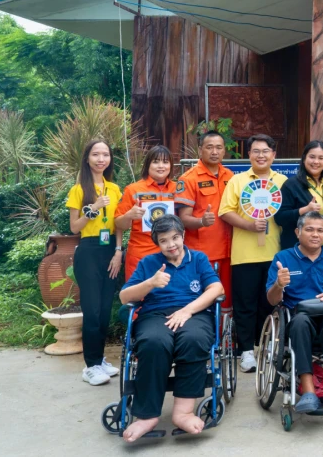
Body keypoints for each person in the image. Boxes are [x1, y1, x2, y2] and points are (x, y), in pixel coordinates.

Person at [118, 215, 223, 442]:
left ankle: (183, 413)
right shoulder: (148, 263)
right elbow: (124, 296)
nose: (171, 244)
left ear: (183, 235)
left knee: (193, 339)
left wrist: (188, 311)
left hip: (193, 312)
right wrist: (150, 284)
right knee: (154, 342)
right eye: (164, 240)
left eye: (175, 237)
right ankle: (147, 416)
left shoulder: (198, 259)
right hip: (155, 314)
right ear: (157, 243)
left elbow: (216, 288)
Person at [267, 212, 323, 413]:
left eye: (320, 230)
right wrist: (278, 284)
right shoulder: (282, 258)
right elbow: (273, 300)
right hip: (299, 317)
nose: (315, 234)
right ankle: (308, 391)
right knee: (300, 323)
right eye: (309, 229)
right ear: (297, 232)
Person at [219, 134, 289, 373]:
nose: (261, 155)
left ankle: (267, 346)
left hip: (275, 253)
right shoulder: (237, 181)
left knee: (268, 303)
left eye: (266, 151)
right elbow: (225, 211)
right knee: (245, 304)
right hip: (245, 254)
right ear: (248, 155)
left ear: (274, 154)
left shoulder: (283, 182)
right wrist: (248, 225)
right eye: (256, 151)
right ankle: (246, 350)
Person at [67, 139, 124, 386]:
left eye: (105, 155)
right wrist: (94, 208)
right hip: (89, 252)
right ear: (87, 158)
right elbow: (74, 227)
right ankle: (90, 366)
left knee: (104, 311)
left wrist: (119, 251)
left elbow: (120, 223)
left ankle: (100, 360)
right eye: (96, 154)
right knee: (92, 311)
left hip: (110, 249)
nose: (101, 159)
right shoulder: (79, 189)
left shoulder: (115, 188)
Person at [176, 130, 234, 307]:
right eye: (209, 147)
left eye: (219, 147)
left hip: (231, 253)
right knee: (203, 301)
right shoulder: (188, 179)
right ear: (200, 149)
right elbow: (182, 219)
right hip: (203, 255)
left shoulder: (231, 177)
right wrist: (201, 221)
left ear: (224, 151)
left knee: (227, 301)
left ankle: (225, 335)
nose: (214, 152)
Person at [115, 145, 177, 278]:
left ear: (171, 165)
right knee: (139, 296)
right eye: (156, 161)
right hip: (141, 255)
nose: (161, 166)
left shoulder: (177, 189)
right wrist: (129, 216)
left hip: (172, 254)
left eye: (165, 162)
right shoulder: (133, 189)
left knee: (170, 296)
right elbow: (118, 224)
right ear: (147, 164)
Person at [277, 140, 323, 250]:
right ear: (304, 158)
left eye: (321, 158)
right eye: (312, 157)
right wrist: (304, 210)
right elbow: (280, 218)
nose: (316, 161)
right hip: (299, 251)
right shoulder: (291, 184)